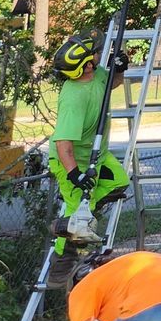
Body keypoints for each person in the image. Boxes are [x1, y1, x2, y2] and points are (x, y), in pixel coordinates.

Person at [49, 35, 131, 250]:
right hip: (73, 161)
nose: (97, 54)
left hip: (99, 155)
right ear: (85, 65)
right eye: (93, 53)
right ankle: (63, 263)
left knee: (118, 182)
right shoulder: (74, 98)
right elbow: (63, 142)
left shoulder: (97, 75)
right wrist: (74, 174)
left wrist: (119, 68)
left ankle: (86, 209)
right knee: (77, 226)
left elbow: (113, 82)